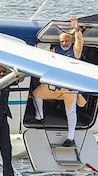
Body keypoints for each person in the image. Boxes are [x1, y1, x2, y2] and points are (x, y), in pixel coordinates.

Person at [32, 16, 85, 147]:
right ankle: (40, 118)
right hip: (54, 86)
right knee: (36, 94)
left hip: (69, 87)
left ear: (70, 41)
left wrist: (76, 29)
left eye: (66, 41)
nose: (64, 43)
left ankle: (71, 138)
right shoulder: (55, 50)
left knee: (71, 111)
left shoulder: (75, 51)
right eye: (62, 41)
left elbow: (80, 42)